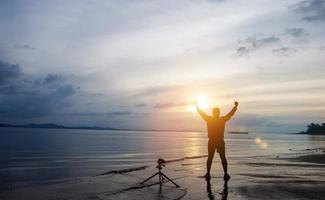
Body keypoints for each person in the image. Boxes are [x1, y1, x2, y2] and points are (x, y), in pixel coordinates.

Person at [196, 101, 238, 181]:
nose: (216, 113)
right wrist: (235, 107)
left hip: (214, 141)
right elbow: (230, 114)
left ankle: (209, 173)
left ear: (214, 113)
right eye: (216, 112)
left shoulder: (210, 119)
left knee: (212, 158)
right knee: (220, 158)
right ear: (218, 113)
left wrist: (197, 106)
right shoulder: (221, 119)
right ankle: (224, 173)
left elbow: (201, 113)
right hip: (218, 141)